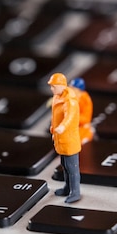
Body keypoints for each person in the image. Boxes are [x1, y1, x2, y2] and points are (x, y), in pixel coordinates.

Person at [49, 73, 82, 203]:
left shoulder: (70, 101)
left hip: (68, 139)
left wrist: (62, 127)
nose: (52, 89)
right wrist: (54, 129)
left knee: (72, 168)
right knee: (65, 166)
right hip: (60, 138)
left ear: (61, 85)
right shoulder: (57, 97)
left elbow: (70, 117)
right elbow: (55, 116)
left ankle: (75, 192)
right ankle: (67, 188)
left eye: (53, 86)